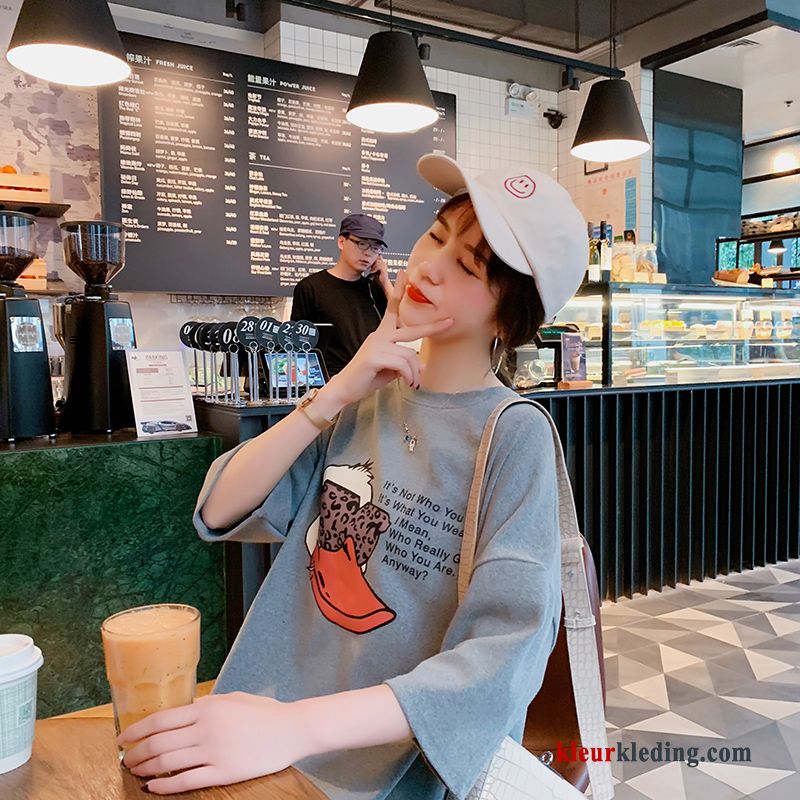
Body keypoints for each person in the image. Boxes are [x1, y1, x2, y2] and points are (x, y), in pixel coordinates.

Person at [118, 154, 589, 799]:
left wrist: (294, 728)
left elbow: (500, 659)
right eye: (437, 235)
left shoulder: (514, 435)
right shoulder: (365, 396)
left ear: (510, 319)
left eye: (468, 264)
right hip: (255, 725)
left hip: (370, 770)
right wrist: (335, 392)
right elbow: (220, 509)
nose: (429, 265)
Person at [291, 213, 393, 376]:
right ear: (341, 241)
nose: (368, 253)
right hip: (331, 383)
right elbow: (299, 346)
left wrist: (386, 282)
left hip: (373, 381)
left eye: (375, 248)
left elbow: (402, 325)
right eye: (362, 244)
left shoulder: (374, 288)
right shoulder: (310, 287)